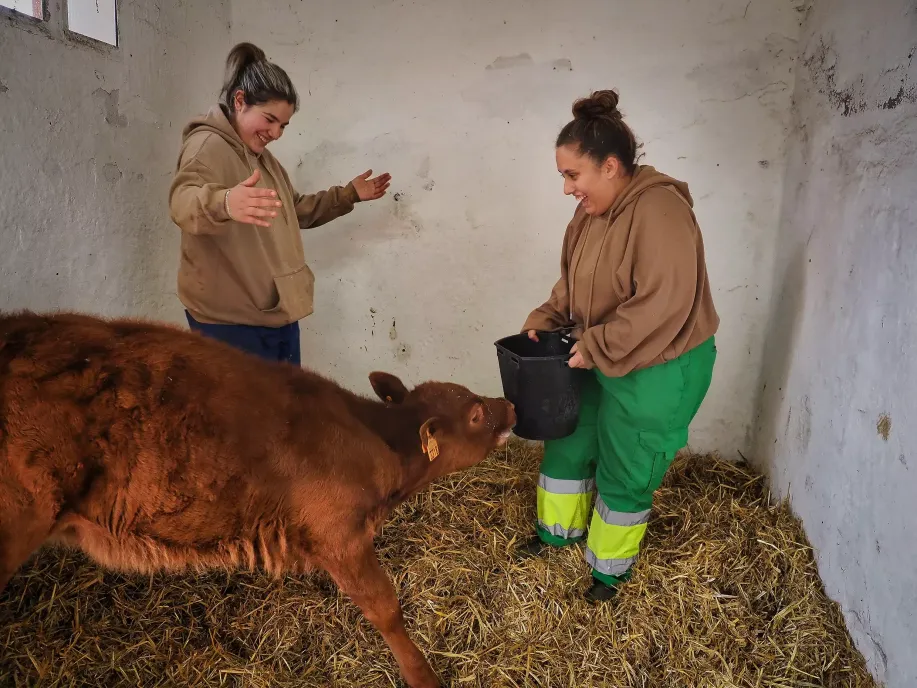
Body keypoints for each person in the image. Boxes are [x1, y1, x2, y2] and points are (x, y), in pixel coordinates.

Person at [518, 89, 719, 603]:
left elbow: (663, 302)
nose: (567, 188)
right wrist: (547, 318)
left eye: (572, 175)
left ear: (610, 166)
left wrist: (599, 343)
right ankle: (557, 534)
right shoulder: (590, 213)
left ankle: (608, 569)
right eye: (563, 176)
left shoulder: (661, 210)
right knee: (569, 438)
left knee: (628, 460)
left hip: (659, 361)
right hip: (598, 350)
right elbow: (575, 282)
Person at [168, 42, 391, 365]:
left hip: (274, 312)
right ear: (240, 101)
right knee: (251, 402)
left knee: (287, 399)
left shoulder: (262, 158)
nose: (276, 133)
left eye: (283, 125)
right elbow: (182, 201)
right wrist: (225, 202)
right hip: (231, 323)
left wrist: (348, 195)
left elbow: (293, 209)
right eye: (270, 120)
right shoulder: (207, 146)